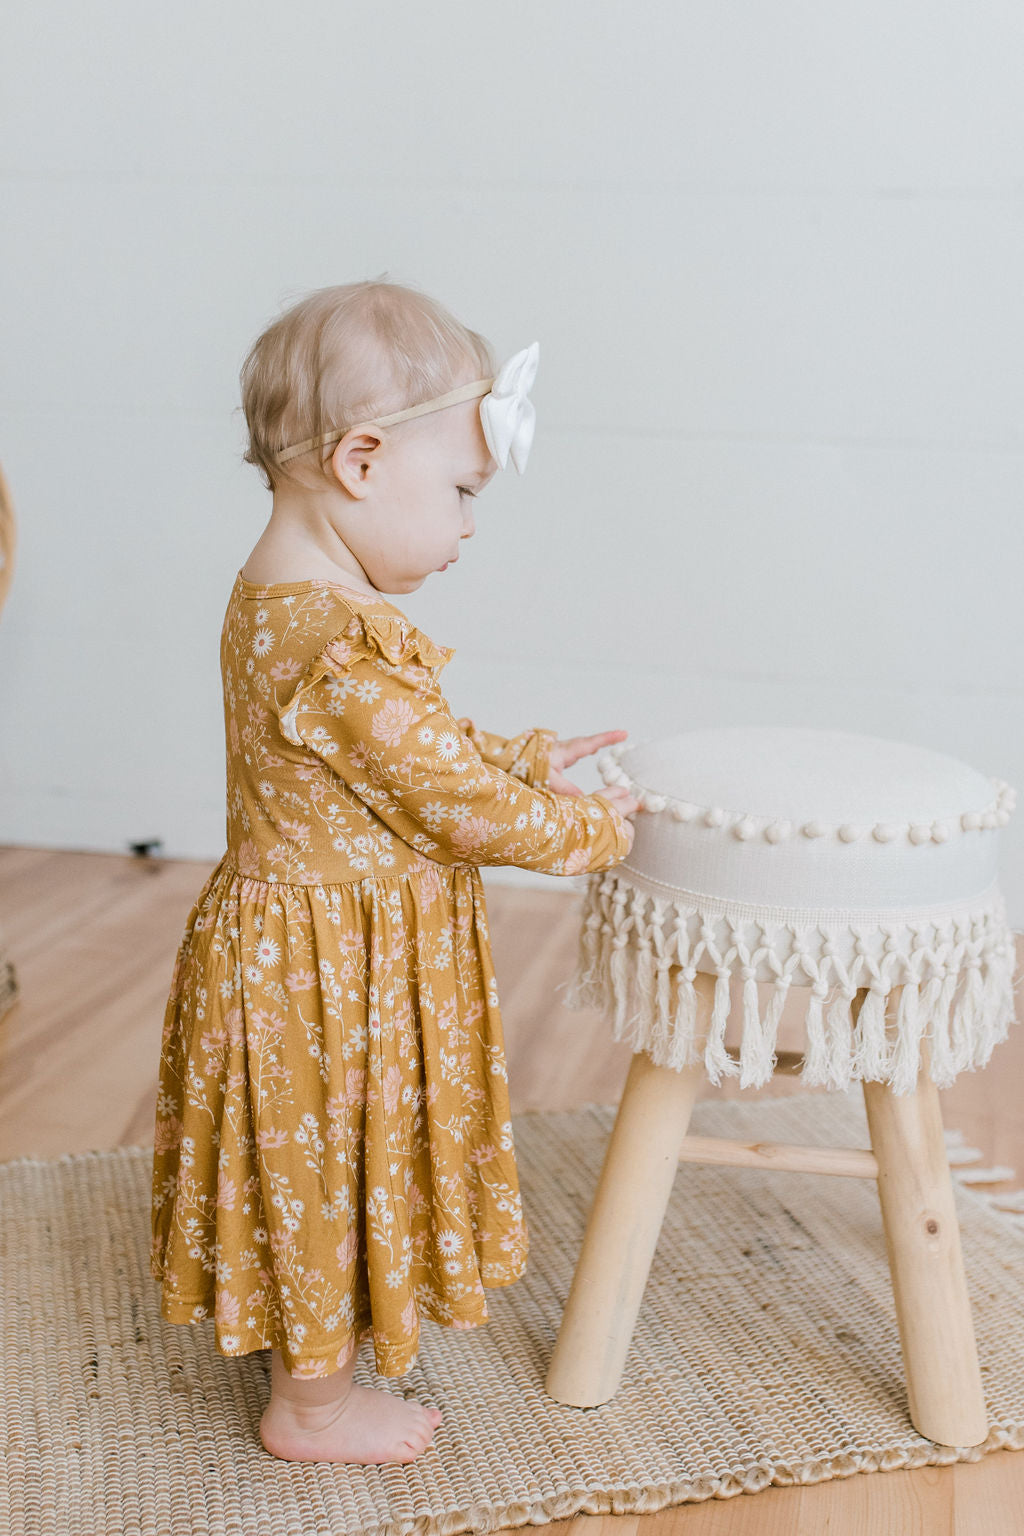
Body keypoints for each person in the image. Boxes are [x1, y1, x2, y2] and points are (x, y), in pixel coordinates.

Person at [150, 278, 642, 1465]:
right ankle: (309, 1409)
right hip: (320, 973)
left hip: (319, 954)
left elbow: (404, 758)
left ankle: (320, 1367)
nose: (470, 525)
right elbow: (456, 808)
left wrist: (524, 753)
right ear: (362, 462)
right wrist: (597, 835)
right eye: (463, 492)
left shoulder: (304, 604)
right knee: (318, 1174)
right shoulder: (333, 641)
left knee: (326, 1158)